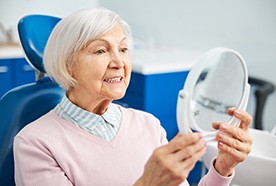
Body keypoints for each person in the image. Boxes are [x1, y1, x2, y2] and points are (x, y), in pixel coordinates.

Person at [13, 8, 252, 186]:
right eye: (100, 50)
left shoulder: (147, 125)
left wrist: (222, 169)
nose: (119, 63)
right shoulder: (35, 143)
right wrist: (148, 182)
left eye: (124, 49)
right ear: (69, 66)